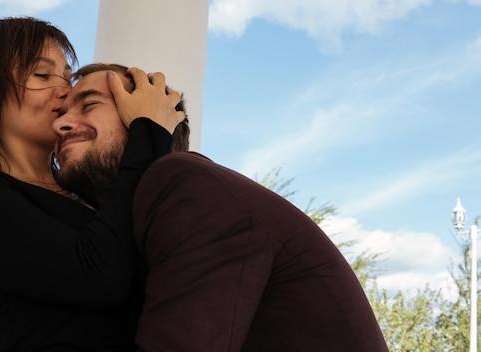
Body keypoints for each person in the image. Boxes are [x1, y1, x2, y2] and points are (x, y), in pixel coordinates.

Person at [53, 64, 389, 351]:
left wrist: (149, 132)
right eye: (62, 112)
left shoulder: (184, 182)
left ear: (143, 117)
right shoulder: (131, 231)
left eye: (89, 104)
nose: (60, 124)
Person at [0, 17, 184, 352]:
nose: (65, 89)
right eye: (43, 75)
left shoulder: (85, 189)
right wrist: (148, 130)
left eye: (66, 74)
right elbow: (97, 274)